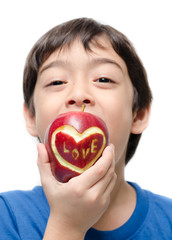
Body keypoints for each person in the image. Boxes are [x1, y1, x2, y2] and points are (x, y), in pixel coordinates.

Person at [0, 17, 172, 240]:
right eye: (57, 82)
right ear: (32, 117)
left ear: (138, 114)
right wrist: (67, 226)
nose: (79, 94)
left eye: (103, 79)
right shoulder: (8, 216)